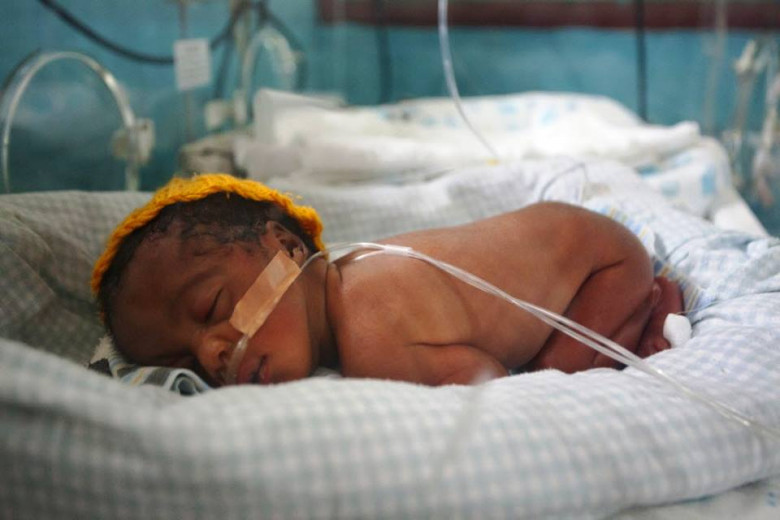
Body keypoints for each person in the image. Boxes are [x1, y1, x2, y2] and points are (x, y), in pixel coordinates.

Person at [92, 174, 683, 387]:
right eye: (184, 363)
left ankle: (652, 307)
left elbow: (491, 383)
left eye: (210, 307)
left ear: (288, 249)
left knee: (556, 374)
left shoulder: (370, 331)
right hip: (572, 239)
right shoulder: (345, 288)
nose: (211, 354)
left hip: (601, 267)